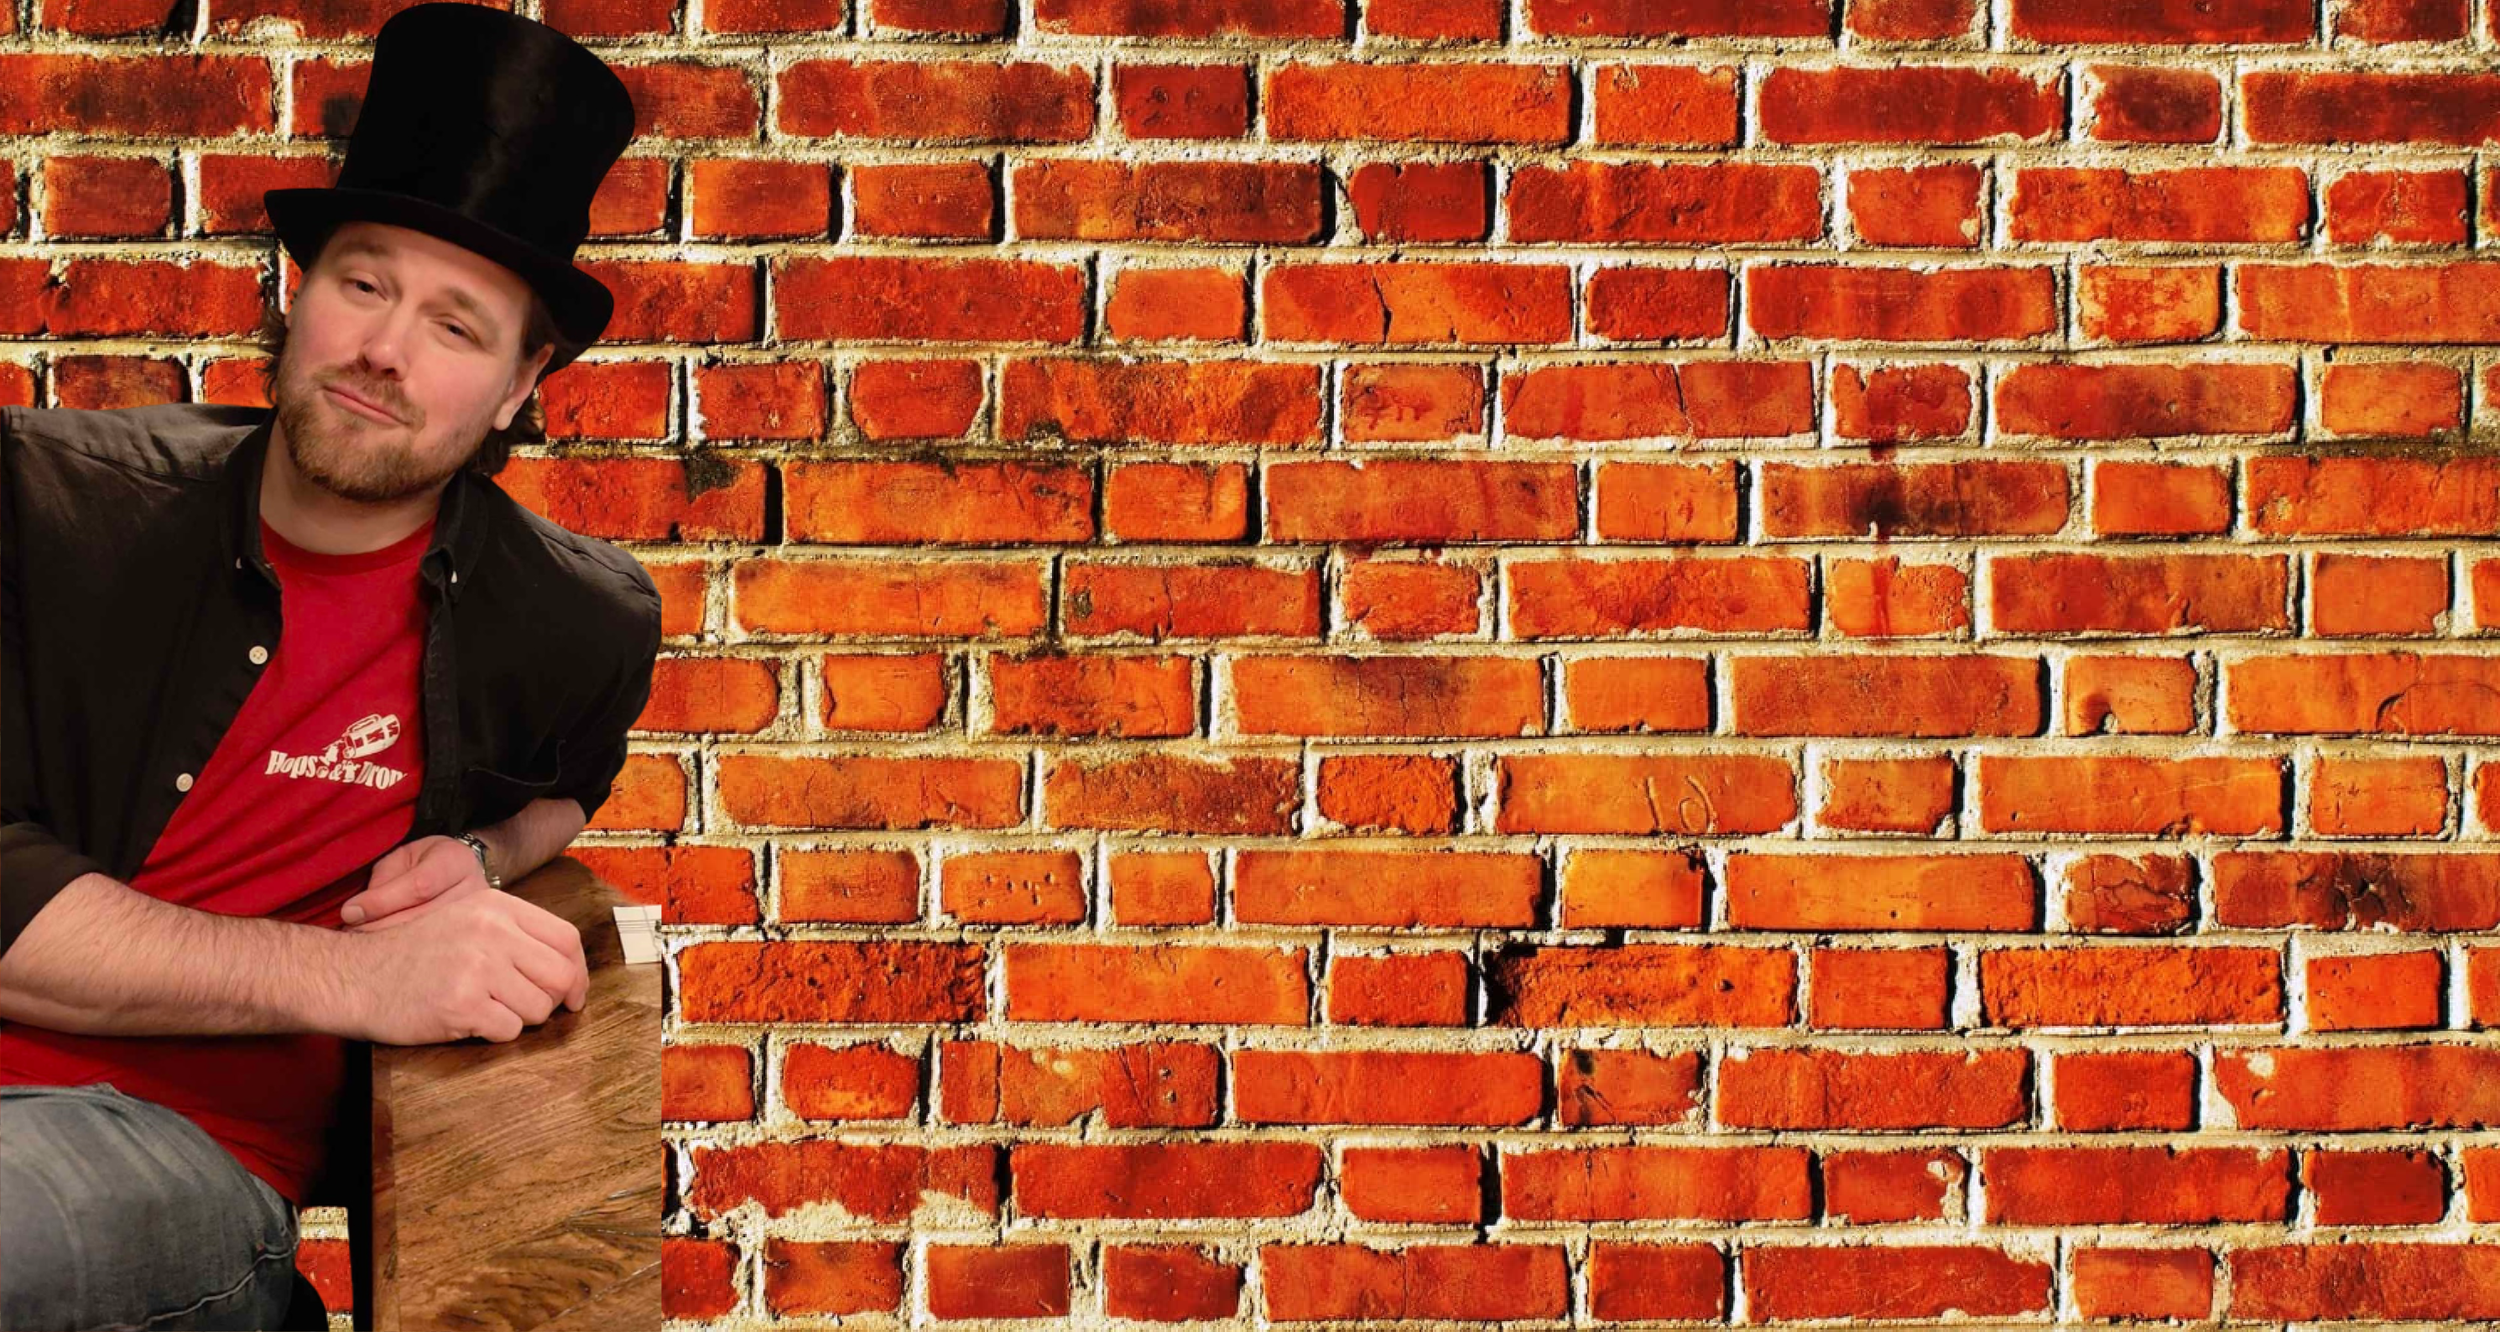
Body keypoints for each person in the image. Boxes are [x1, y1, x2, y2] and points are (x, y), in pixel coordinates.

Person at [0, 6, 657, 1327]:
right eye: (364, 284)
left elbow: (572, 784)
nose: (384, 352)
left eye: (457, 327)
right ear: (303, 294)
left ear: (527, 380)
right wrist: (355, 979)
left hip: (168, 1161)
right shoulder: (49, 507)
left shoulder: (575, 622)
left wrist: (485, 856)